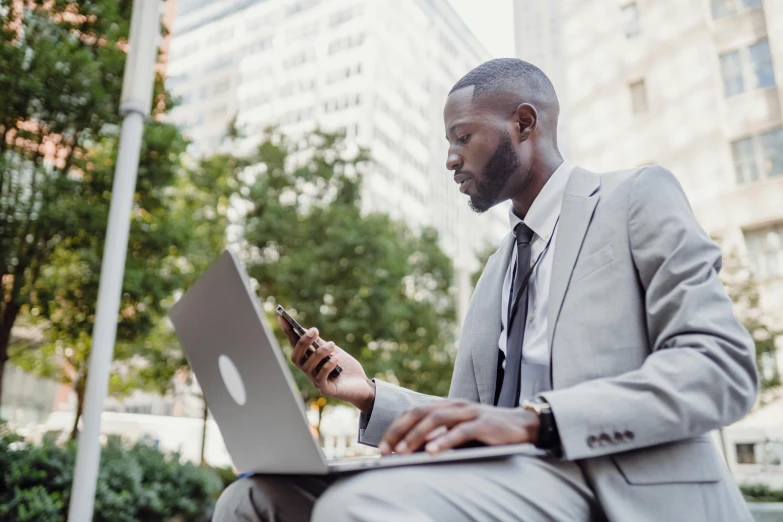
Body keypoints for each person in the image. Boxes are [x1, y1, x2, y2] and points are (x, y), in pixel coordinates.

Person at [213, 58, 758, 522]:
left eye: (462, 137)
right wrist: (368, 392)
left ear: (524, 123)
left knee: (358, 506)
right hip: (509, 480)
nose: (450, 159)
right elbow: (471, 415)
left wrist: (537, 420)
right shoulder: (498, 269)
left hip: (612, 488)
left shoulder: (635, 198)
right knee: (252, 499)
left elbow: (720, 368)